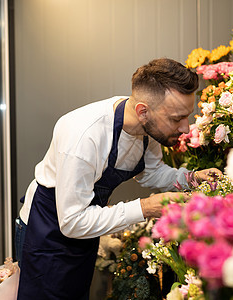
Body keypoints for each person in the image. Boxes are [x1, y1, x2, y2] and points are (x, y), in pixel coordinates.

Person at [15, 58, 222, 300]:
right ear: (142, 111)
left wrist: (192, 178)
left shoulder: (148, 127)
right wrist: (145, 208)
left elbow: (152, 171)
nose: (186, 128)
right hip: (47, 234)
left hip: (85, 228)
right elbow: (71, 222)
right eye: (177, 118)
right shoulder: (84, 136)